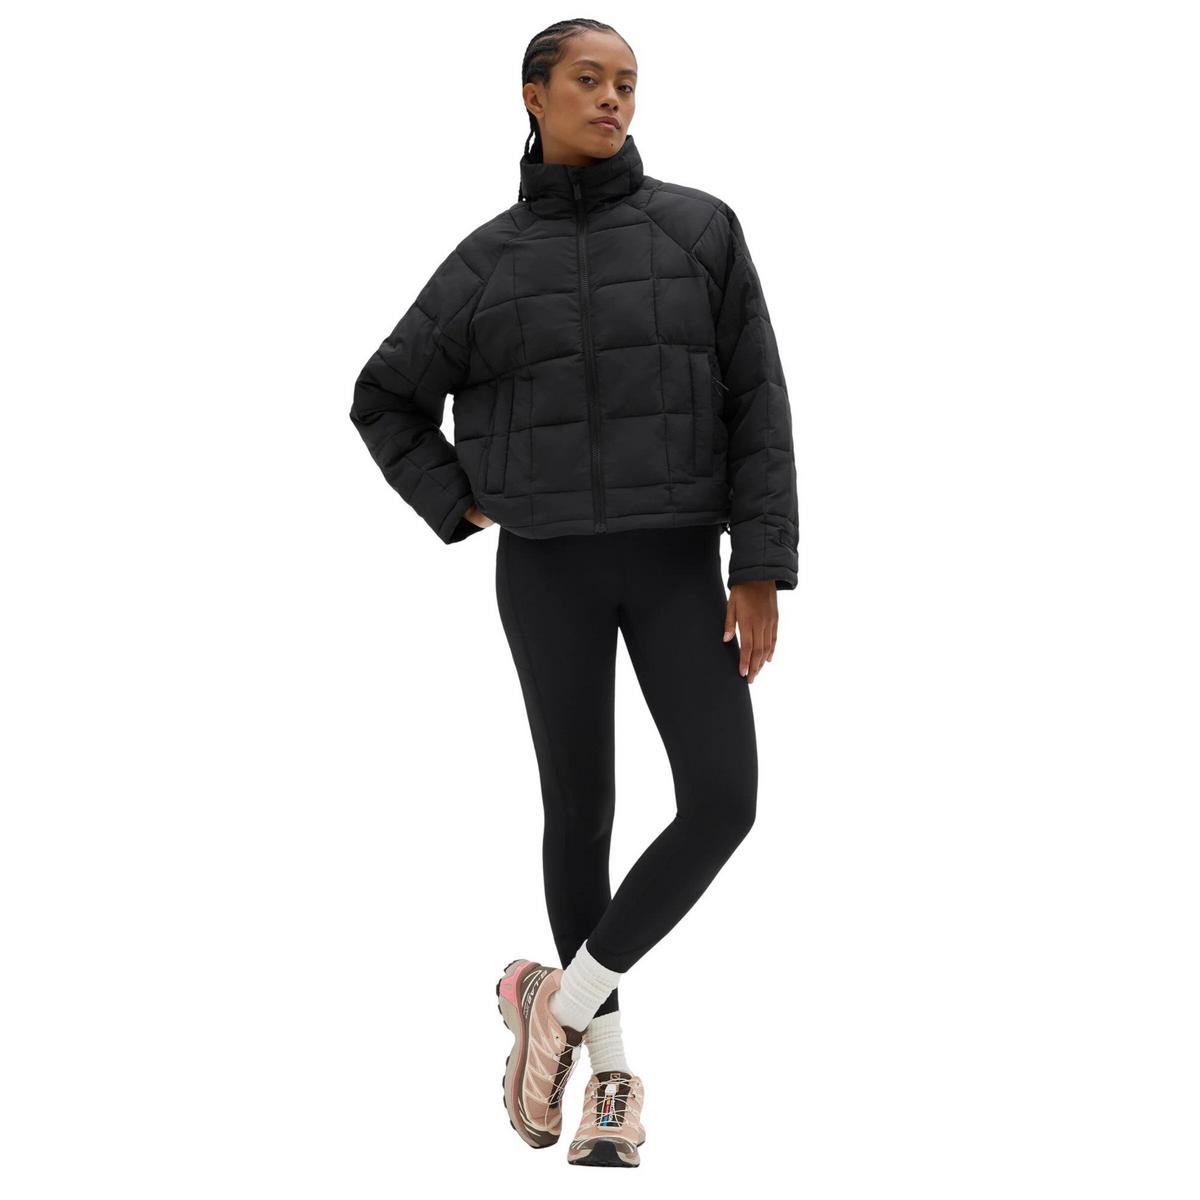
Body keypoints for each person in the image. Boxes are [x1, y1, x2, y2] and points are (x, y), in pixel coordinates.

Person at [349, 20, 798, 1168]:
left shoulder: (700, 231)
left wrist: (758, 566)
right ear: (534, 96)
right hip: (548, 568)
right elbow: (383, 395)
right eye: (589, 81)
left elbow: (757, 398)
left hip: (676, 562)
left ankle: (553, 1003)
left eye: (628, 84)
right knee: (581, 812)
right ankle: (610, 1080)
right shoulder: (488, 262)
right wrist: (460, 503)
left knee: (722, 800)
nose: (613, 100)